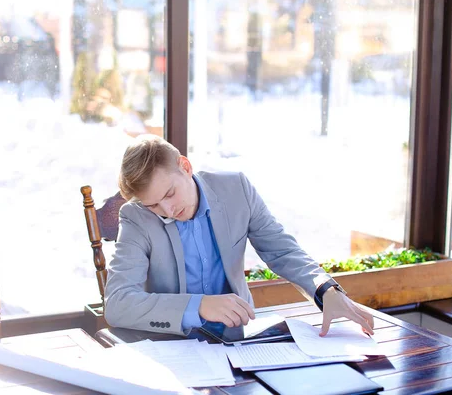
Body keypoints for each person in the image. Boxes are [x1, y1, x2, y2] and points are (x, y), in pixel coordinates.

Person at [104, 135, 374, 337]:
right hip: (172, 348)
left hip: (239, 339)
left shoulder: (236, 189)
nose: (168, 210)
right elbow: (118, 304)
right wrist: (198, 306)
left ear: (185, 167)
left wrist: (325, 288)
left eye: (169, 194)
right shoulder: (135, 217)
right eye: (153, 205)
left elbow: (281, 250)